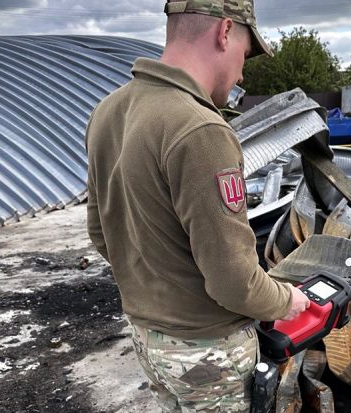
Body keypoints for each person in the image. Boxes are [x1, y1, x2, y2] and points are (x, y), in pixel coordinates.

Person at [85, 0, 310, 411]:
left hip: (147, 337)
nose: (242, 72)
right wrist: (286, 301)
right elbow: (232, 280)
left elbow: (103, 232)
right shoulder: (200, 128)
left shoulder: (109, 110)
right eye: (244, 54)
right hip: (207, 349)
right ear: (225, 32)